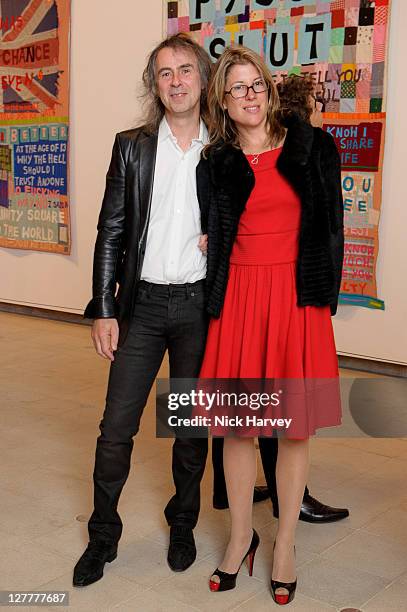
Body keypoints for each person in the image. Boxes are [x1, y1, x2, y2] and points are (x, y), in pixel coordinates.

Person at [196, 47, 344, 604]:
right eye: (237, 88)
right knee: (237, 428)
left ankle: (285, 543)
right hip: (239, 299)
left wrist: (324, 298)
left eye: (256, 83)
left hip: (296, 299)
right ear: (223, 102)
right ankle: (240, 538)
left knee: (292, 428)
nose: (251, 95)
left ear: (269, 88)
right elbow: (209, 230)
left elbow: (332, 224)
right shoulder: (216, 162)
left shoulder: (310, 144)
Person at [73, 33, 213, 587]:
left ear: (203, 78)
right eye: (163, 73)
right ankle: (103, 537)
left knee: (189, 430)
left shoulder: (223, 150)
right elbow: (111, 230)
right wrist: (103, 307)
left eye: (184, 70)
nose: (175, 80)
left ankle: (182, 523)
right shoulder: (131, 145)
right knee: (116, 430)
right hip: (144, 306)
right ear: (154, 84)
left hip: (200, 308)